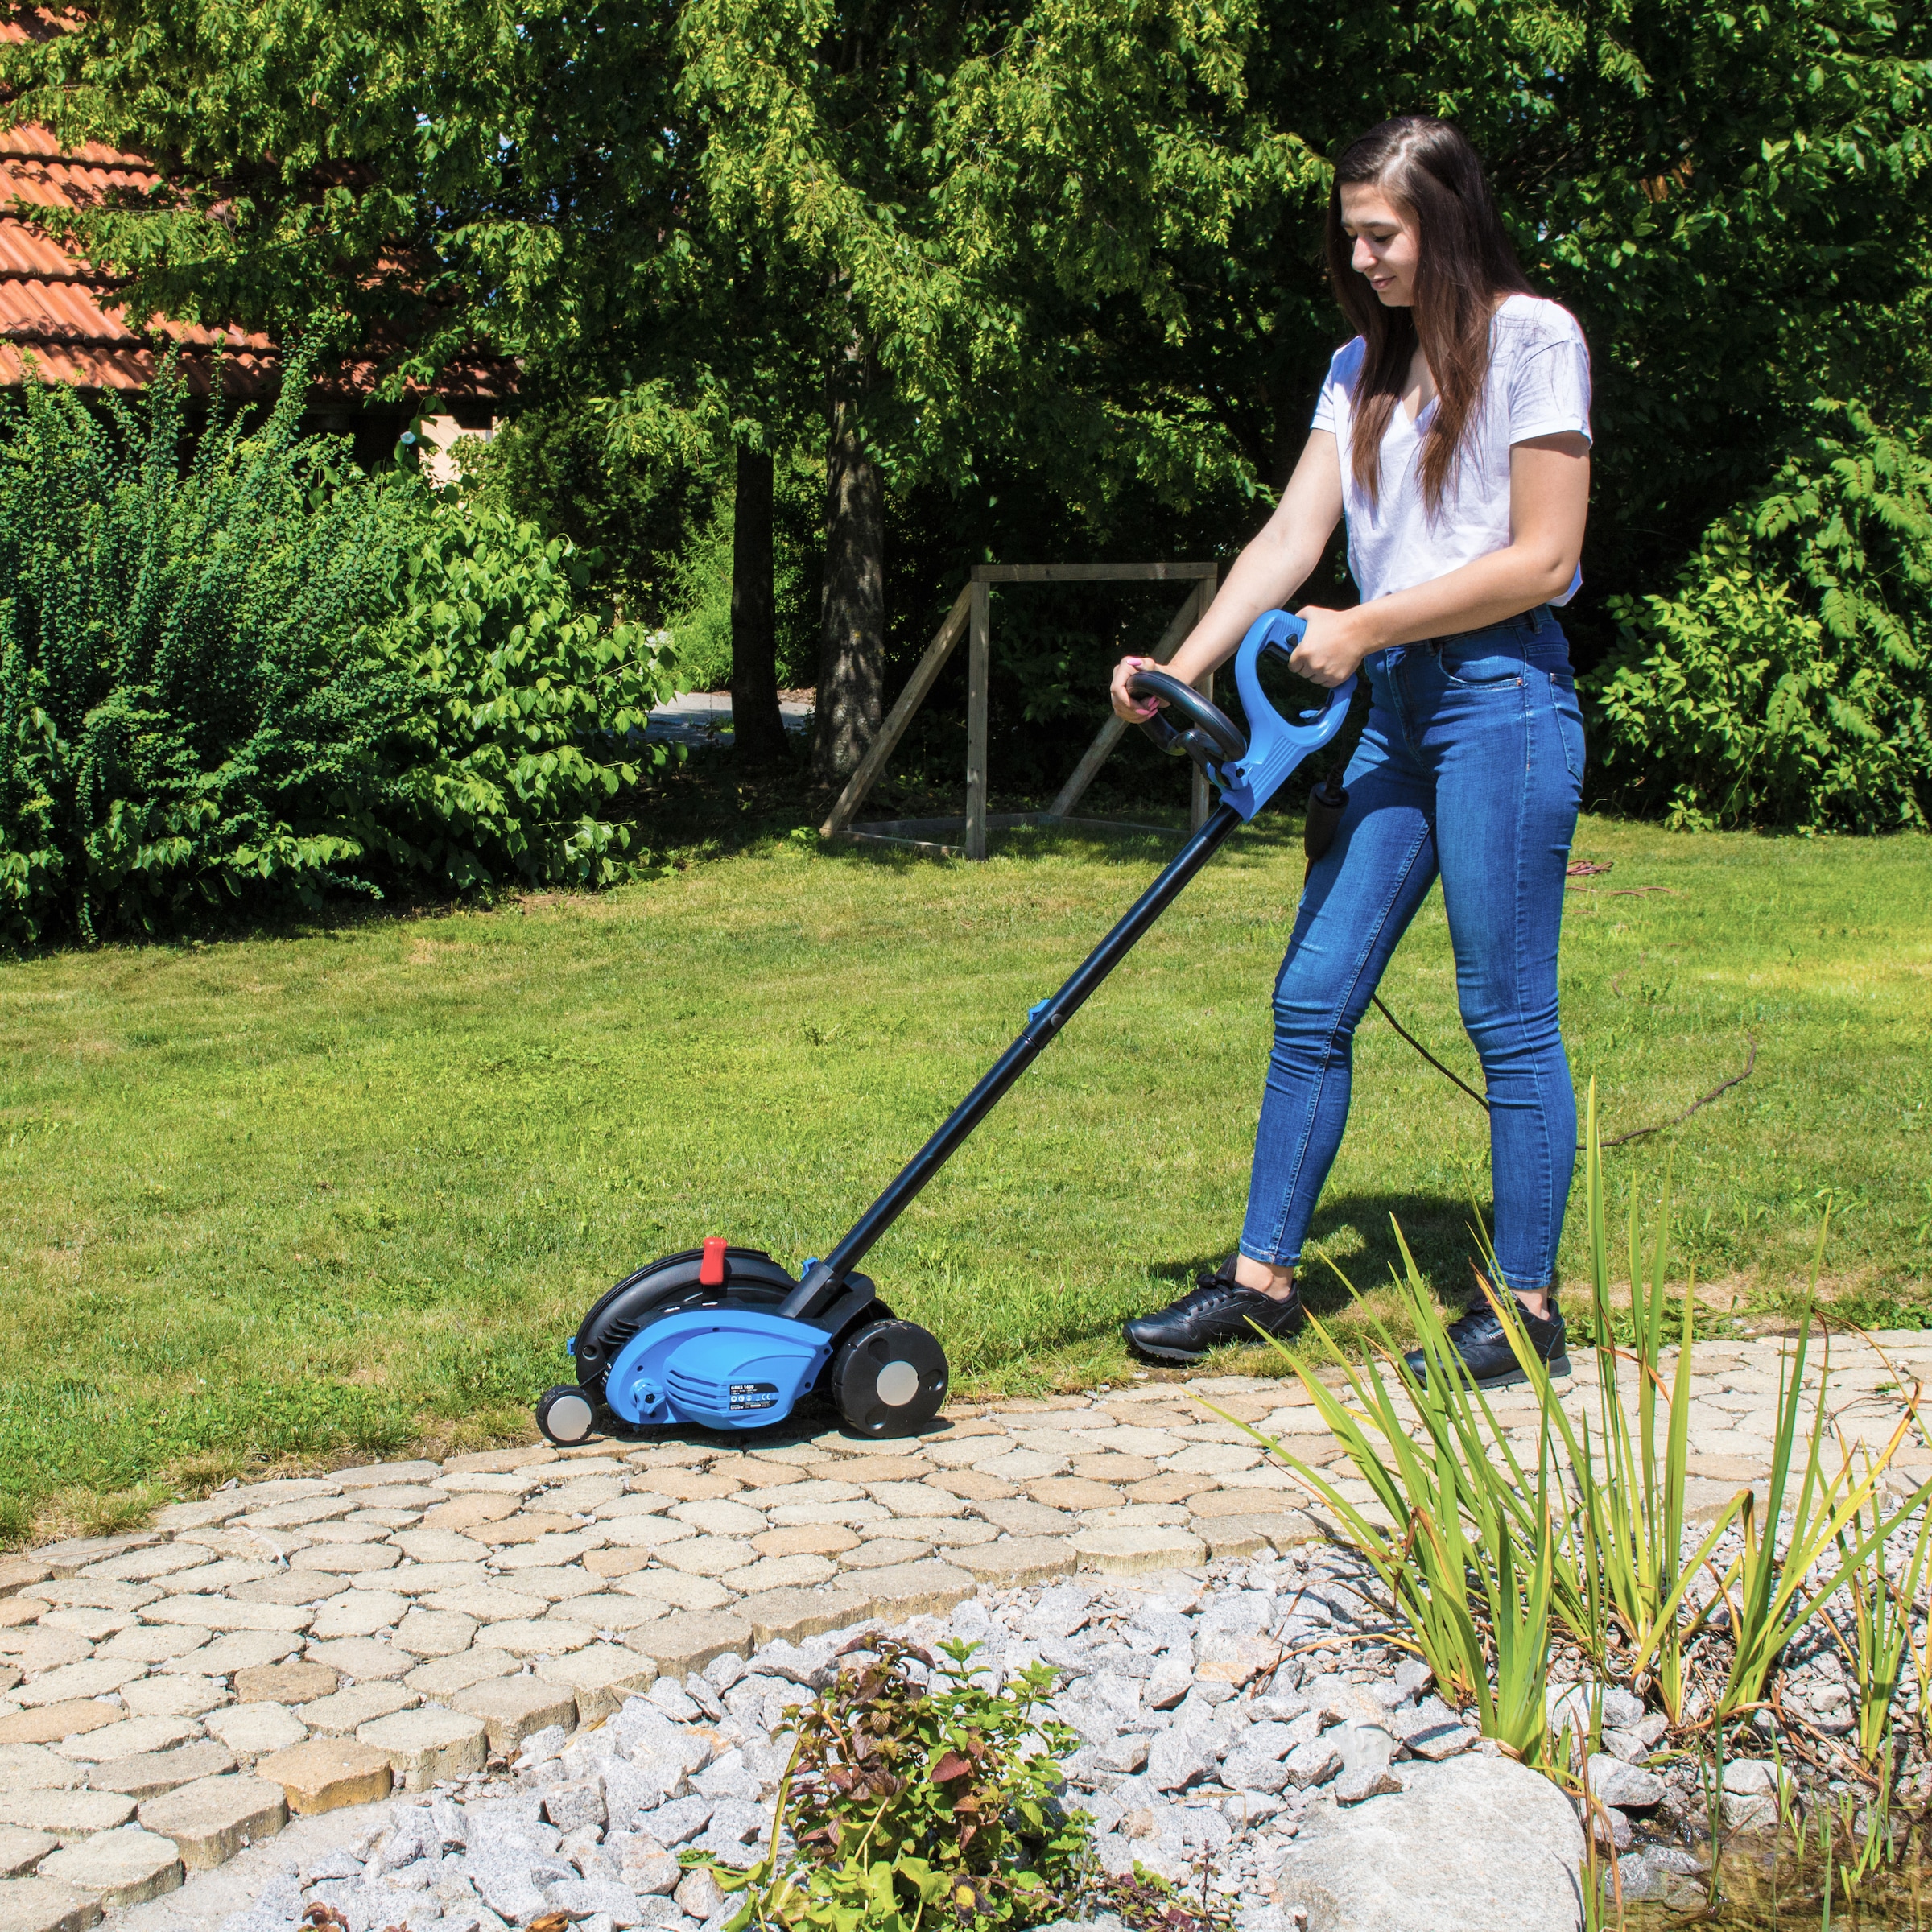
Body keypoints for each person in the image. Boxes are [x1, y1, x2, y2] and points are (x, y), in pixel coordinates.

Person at [1112, 115, 1590, 1387]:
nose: (1362, 256)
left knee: (1505, 1011)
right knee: (1313, 995)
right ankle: (1264, 1281)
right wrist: (1187, 662)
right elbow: (1288, 537)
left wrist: (1367, 623)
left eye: (1380, 234)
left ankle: (1528, 1307)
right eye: (1352, 237)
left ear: (1445, 220)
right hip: (1397, 718)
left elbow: (1541, 558)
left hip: (1504, 702)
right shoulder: (1359, 370)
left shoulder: (1534, 341)